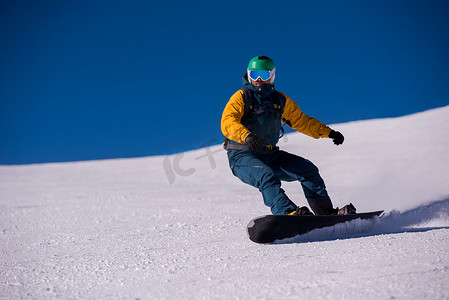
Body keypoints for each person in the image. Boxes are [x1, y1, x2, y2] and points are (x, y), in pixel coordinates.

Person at [221, 55, 355, 216]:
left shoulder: (280, 100)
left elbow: (301, 121)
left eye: (263, 75)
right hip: (242, 155)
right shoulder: (242, 96)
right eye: (254, 74)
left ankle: (327, 213)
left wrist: (328, 132)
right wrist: (247, 136)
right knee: (265, 175)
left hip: (270, 154)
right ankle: (287, 213)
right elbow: (228, 121)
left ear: (272, 76)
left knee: (307, 170)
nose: (258, 79)